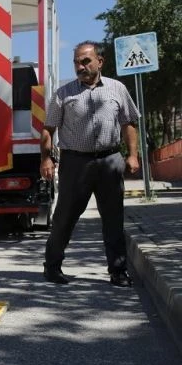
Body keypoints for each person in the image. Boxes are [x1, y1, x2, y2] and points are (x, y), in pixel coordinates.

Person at [40, 41, 140, 287]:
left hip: (109, 160)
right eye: (76, 62)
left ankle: (118, 272)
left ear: (99, 62)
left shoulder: (117, 89)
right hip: (75, 162)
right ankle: (52, 267)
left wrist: (133, 155)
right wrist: (46, 158)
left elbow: (129, 122)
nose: (80, 66)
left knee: (113, 218)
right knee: (65, 217)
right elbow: (48, 128)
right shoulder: (64, 93)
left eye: (85, 61)